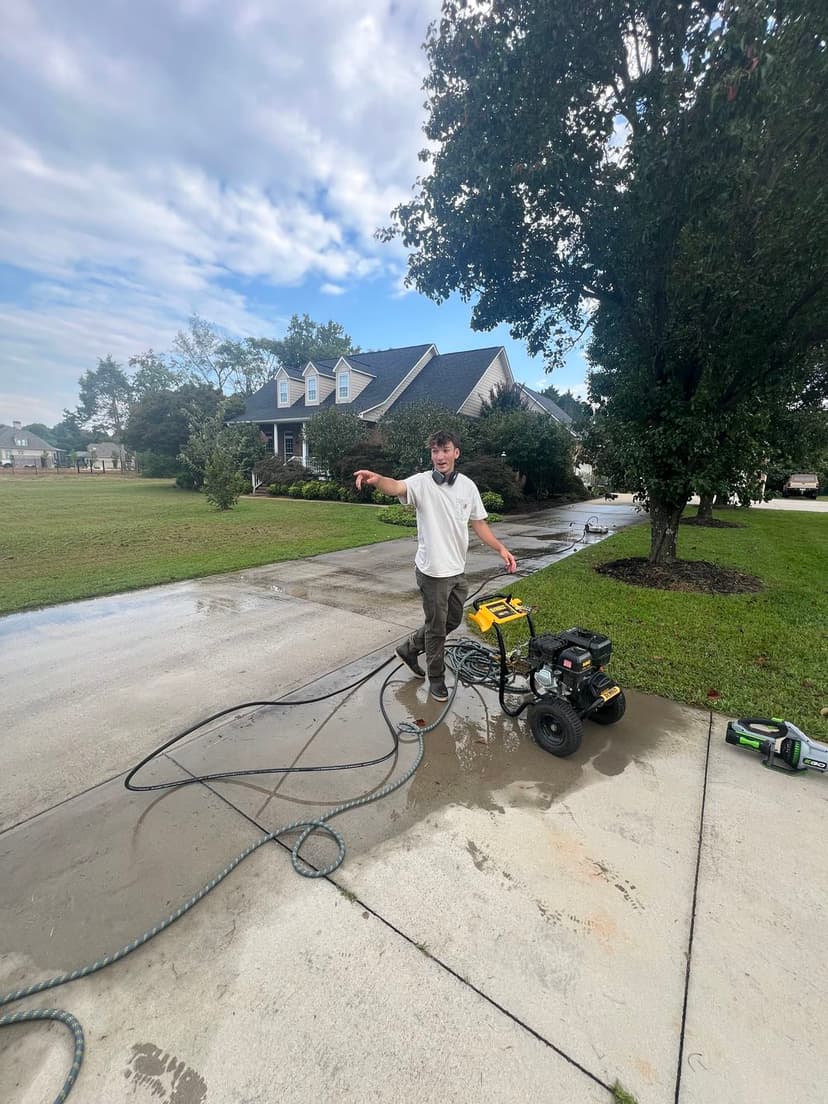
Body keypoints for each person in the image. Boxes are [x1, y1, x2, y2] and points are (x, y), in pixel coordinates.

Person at [354, 430, 516, 702]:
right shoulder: (421, 483)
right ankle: (436, 679)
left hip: (456, 570)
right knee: (437, 628)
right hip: (432, 572)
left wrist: (500, 548)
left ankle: (409, 649)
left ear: (456, 453)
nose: (440, 456)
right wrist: (377, 480)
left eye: (445, 450)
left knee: (451, 620)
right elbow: (396, 486)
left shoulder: (467, 486)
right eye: (435, 451)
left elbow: (479, 523)